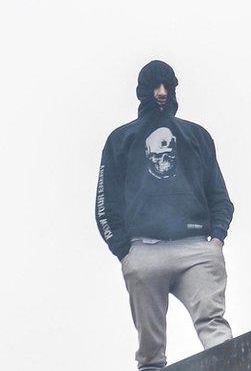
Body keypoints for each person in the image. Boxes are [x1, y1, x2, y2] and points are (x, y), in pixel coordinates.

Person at [95, 60, 234, 370]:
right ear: (142, 91)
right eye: (154, 86)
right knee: (150, 355)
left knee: (217, 332)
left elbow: (218, 194)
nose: (161, 93)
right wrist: (125, 251)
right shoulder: (121, 139)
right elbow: (106, 202)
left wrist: (216, 240)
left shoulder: (196, 135)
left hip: (196, 247)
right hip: (144, 250)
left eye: (166, 86)